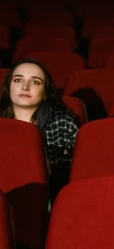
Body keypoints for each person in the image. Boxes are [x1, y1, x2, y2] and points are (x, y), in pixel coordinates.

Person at [0, 58, 80, 194]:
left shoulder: (63, 125)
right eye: (18, 80)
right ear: (9, 86)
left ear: (45, 93)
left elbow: (66, 178)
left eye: (35, 82)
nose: (25, 87)